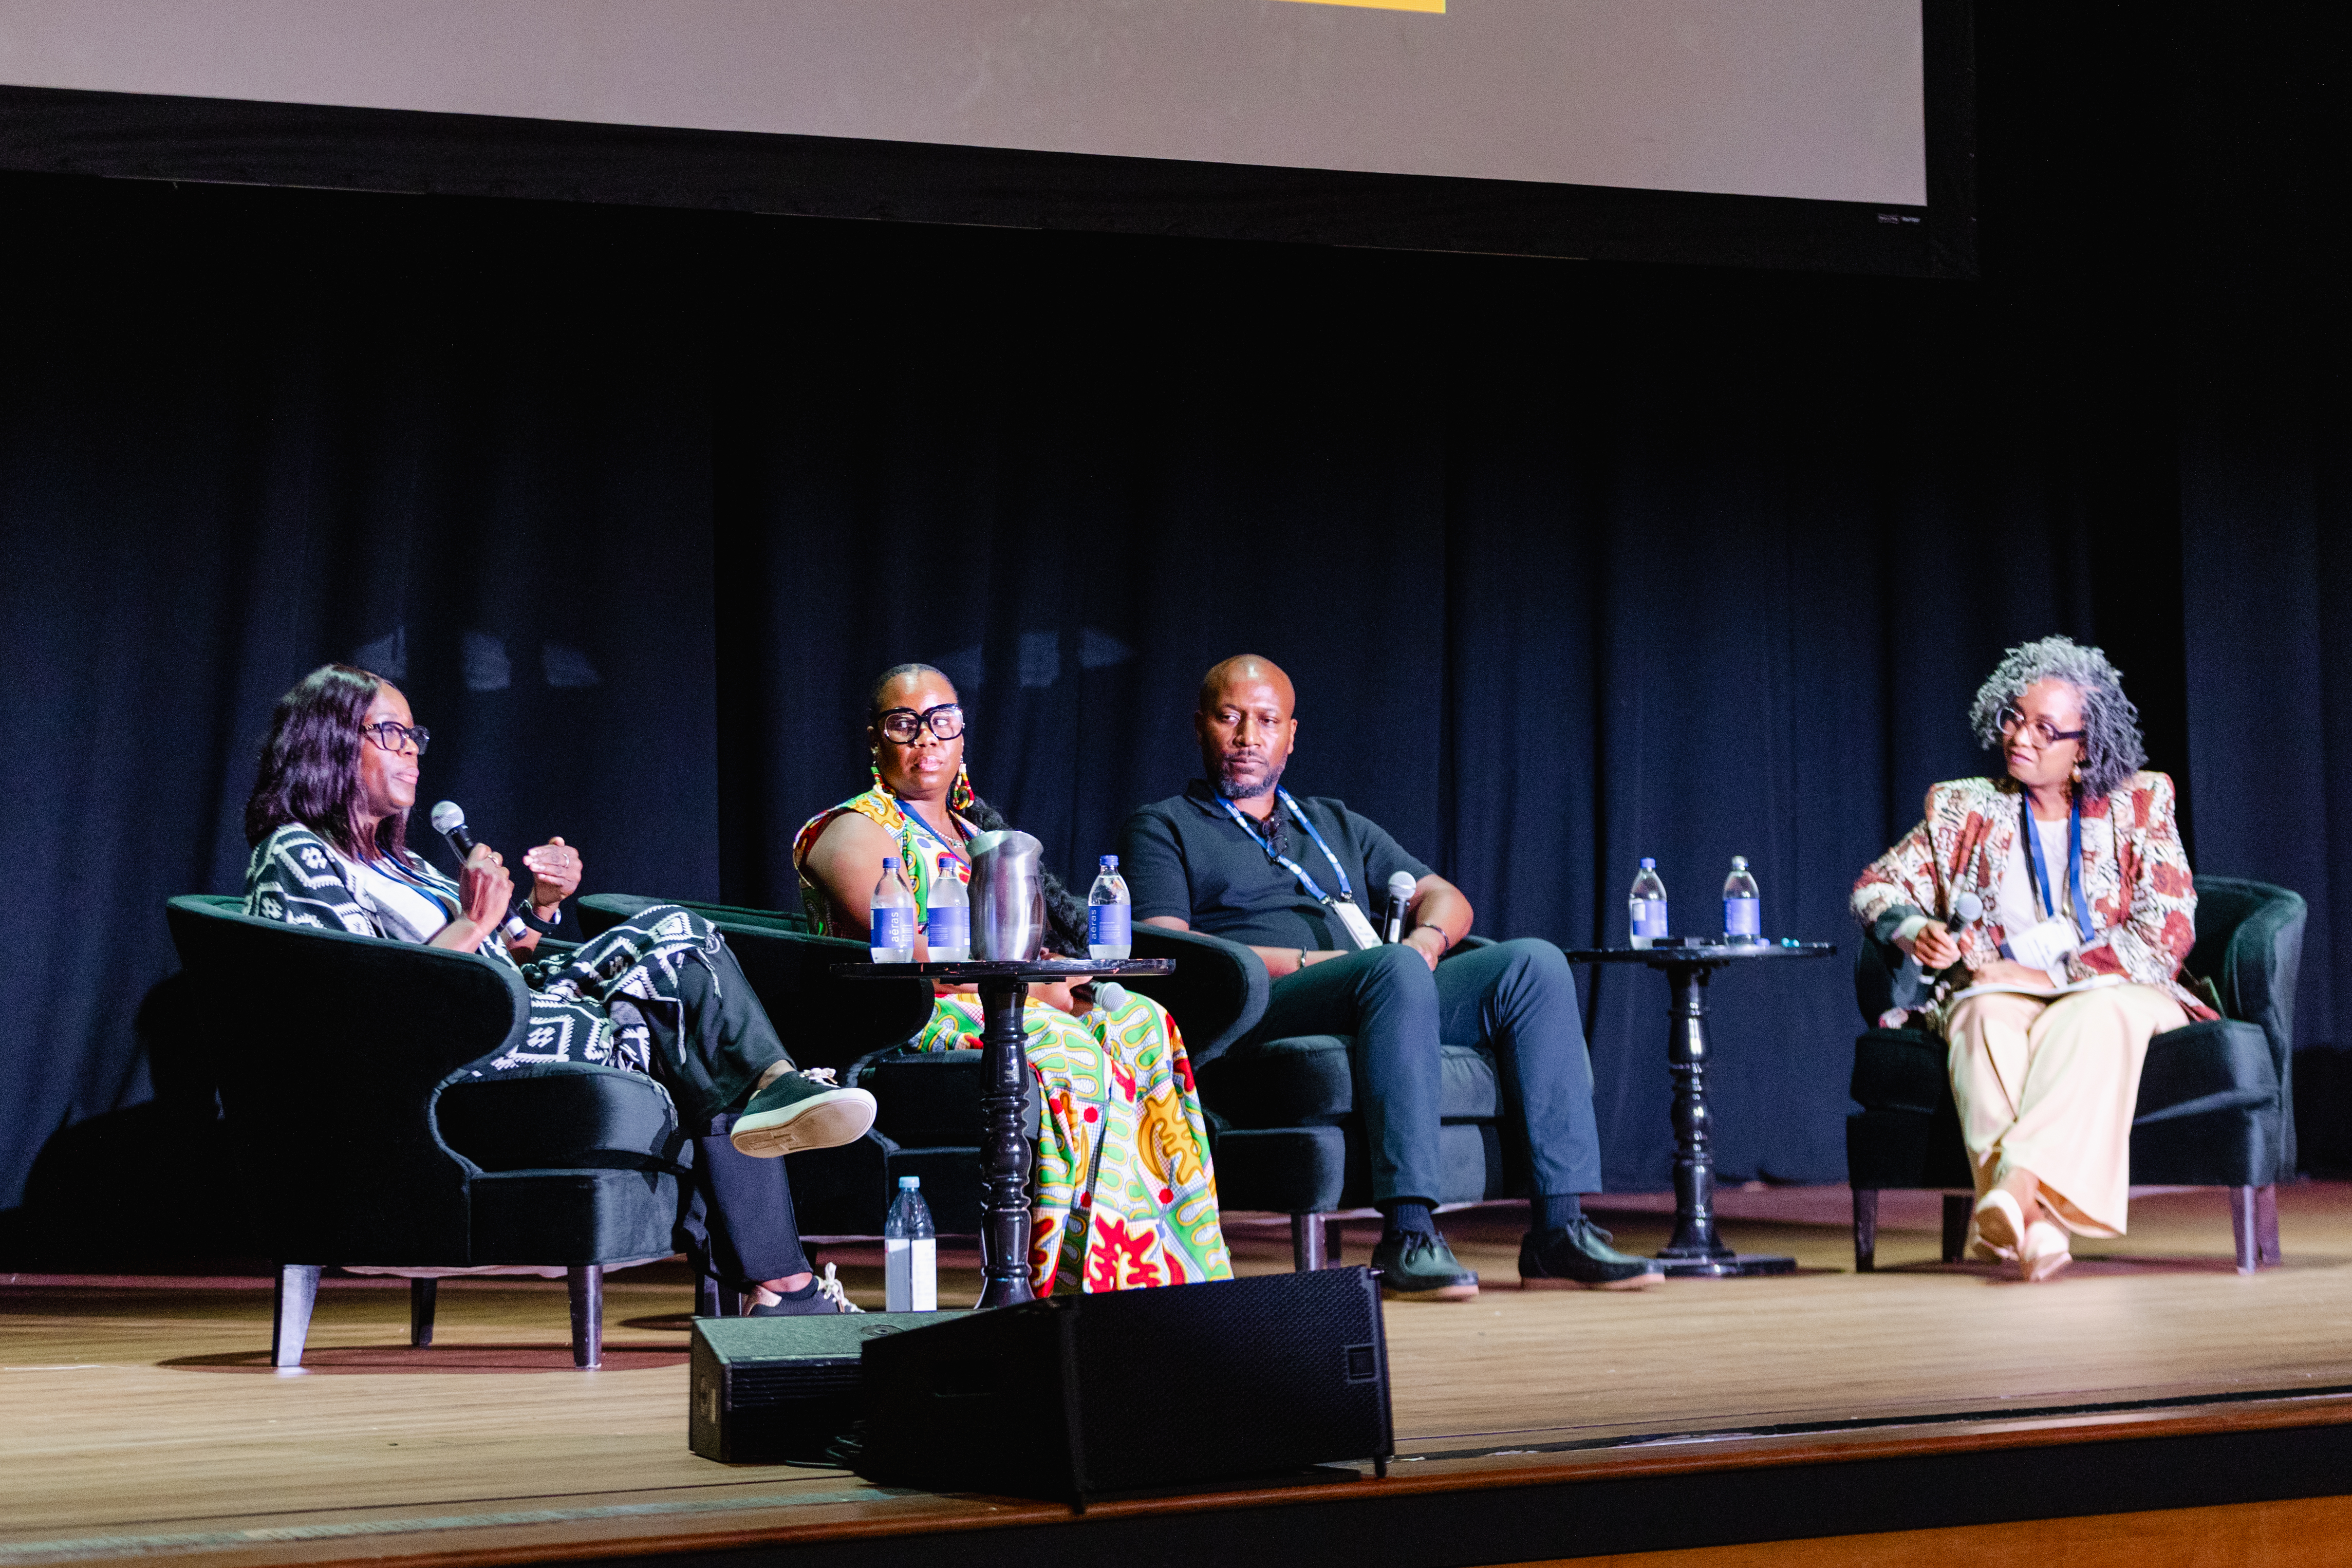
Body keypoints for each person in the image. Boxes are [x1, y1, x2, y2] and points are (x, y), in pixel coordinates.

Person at [241, 663, 876, 1315]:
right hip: (456, 1061)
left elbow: (501, 957)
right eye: (389, 732)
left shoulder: (401, 863)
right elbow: (364, 1003)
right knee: (690, 1028)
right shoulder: (298, 855)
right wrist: (473, 920)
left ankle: (780, 1245)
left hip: (515, 1014)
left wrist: (540, 910)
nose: (410, 749)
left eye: (413, 734)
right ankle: (781, 1238)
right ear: (329, 743)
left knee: (678, 939)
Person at [1119, 655, 1658, 1299]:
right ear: (1201, 725)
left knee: (1533, 964)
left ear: (1292, 735)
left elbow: (1448, 898)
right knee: (1392, 968)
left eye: (1266, 721)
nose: (1247, 738)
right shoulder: (1165, 825)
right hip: (1262, 1003)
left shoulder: (1332, 823)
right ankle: (1408, 1233)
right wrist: (1323, 965)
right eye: (1230, 718)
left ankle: (1559, 1230)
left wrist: (1428, 941)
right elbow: (1173, 951)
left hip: (1381, 986)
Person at [795, 663, 1230, 1295]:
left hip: (1000, 997)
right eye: (904, 724)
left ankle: (1161, 1271)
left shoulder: (979, 835)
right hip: (909, 1013)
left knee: (1143, 1022)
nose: (926, 740)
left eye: (941, 723)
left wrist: (1058, 974)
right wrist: (1032, 989)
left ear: (962, 737)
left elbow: (1025, 938)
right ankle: (1051, 1278)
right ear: (875, 738)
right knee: (1065, 1047)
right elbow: (909, 951)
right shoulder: (853, 828)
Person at [1853, 636, 2212, 1282]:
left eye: (2047, 729)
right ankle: (2038, 1228)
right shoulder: (1964, 807)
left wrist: (2051, 976)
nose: (2022, 737)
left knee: (2093, 1016)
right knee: (1979, 1013)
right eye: (2015, 718)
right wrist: (1916, 929)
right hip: (2000, 987)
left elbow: (2166, 931)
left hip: (2123, 986)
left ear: (2086, 746)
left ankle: (2015, 1186)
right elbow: (1875, 886)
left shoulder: (2140, 802)